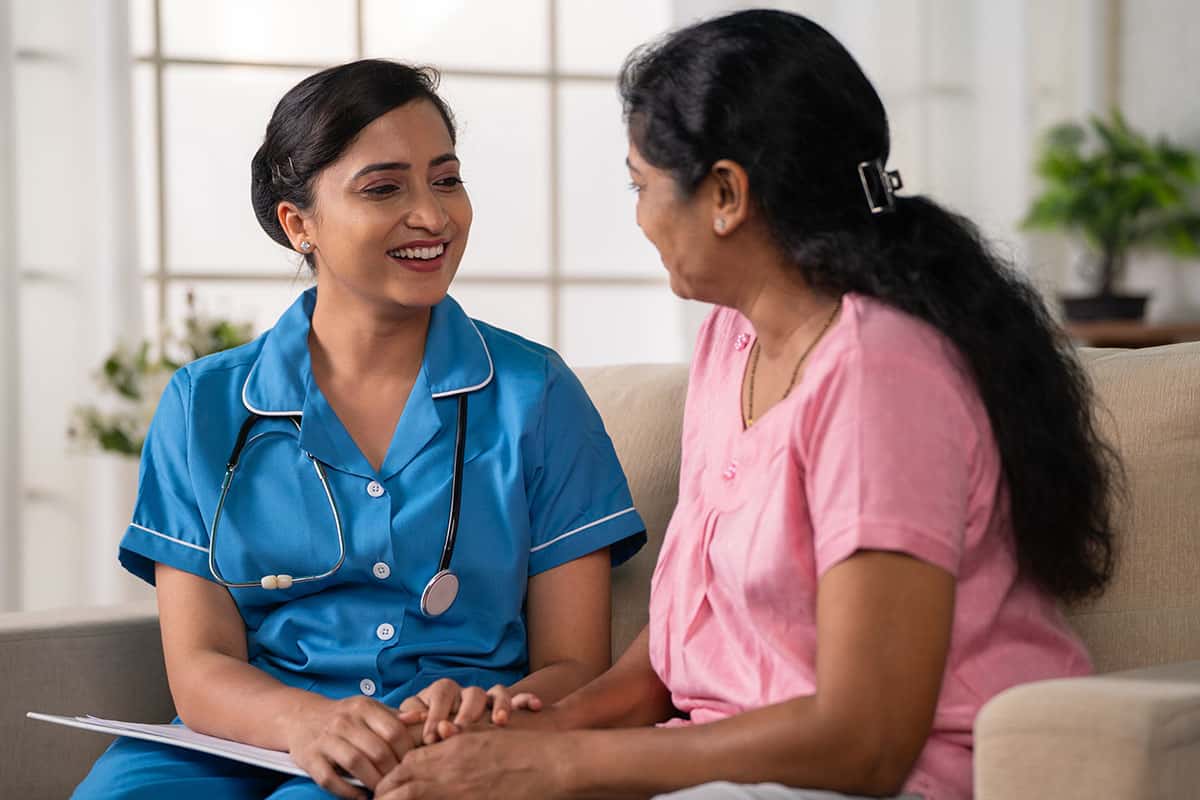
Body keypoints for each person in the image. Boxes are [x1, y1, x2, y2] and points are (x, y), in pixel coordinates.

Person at [371, 11, 1118, 800]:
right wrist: (526, 731)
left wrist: (563, 766)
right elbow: (675, 652)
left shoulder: (880, 375)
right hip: (722, 769)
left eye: (643, 184)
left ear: (725, 194)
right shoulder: (732, 343)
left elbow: (865, 741)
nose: (639, 216)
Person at [72, 59, 646, 799]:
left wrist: (492, 715)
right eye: (384, 188)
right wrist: (308, 722)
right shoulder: (203, 404)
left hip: (441, 740)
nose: (434, 217)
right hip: (243, 740)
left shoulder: (535, 395)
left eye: (446, 179)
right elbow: (200, 665)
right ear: (298, 223)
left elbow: (575, 665)